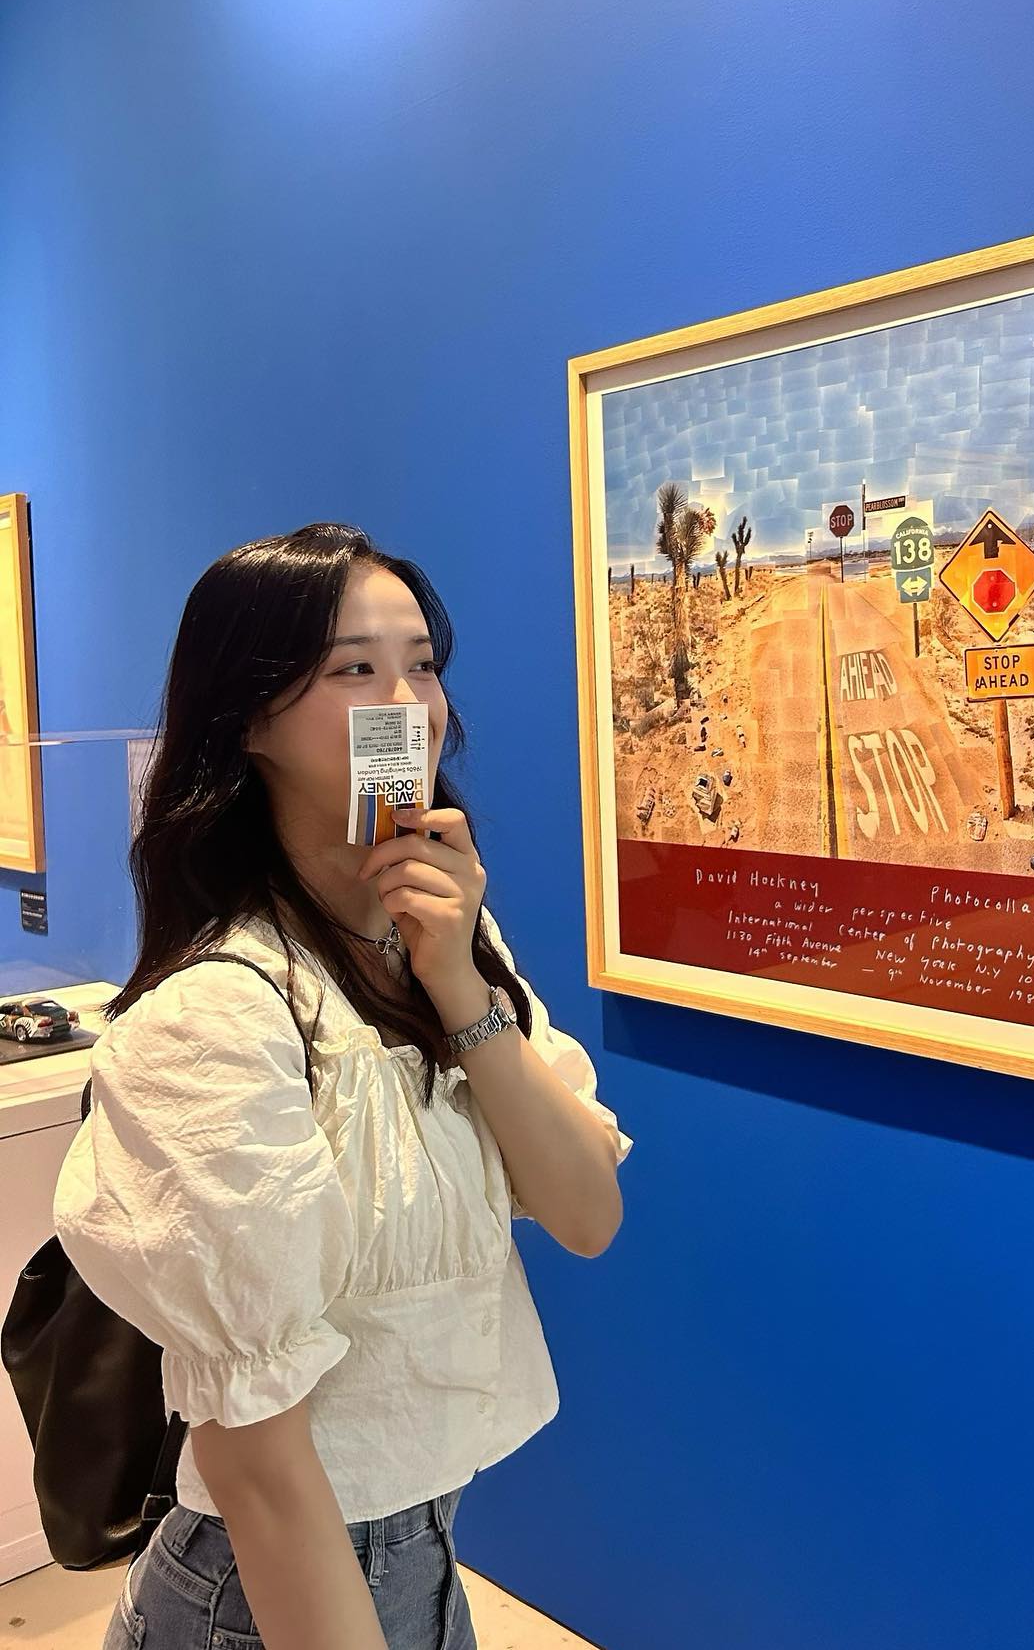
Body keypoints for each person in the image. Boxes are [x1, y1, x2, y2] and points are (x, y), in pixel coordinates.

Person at [53, 522, 633, 1650]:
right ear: (250, 717)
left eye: (423, 663)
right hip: (264, 1601)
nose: (407, 702)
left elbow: (588, 1214)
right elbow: (262, 1471)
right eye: (354, 668)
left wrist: (456, 978)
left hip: (428, 1564)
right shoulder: (219, 1014)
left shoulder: (455, 948)